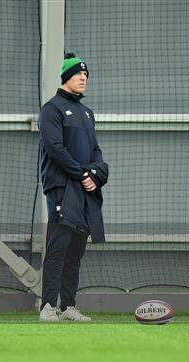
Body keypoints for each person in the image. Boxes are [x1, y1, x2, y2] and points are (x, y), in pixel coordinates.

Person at [38, 53, 108, 321]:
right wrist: (83, 175)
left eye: (86, 75)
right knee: (58, 247)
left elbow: (95, 150)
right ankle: (47, 306)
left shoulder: (87, 113)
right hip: (61, 189)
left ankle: (67, 306)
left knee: (76, 250)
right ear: (66, 76)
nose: (83, 78)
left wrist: (95, 174)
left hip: (84, 190)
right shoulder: (51, 109)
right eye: (79, 74)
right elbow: (55, 149)